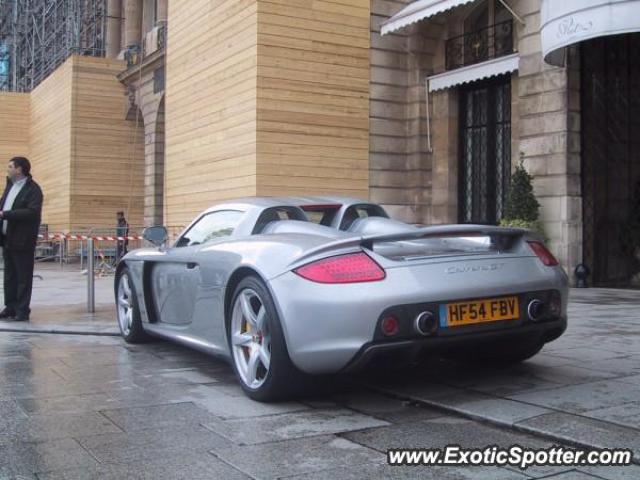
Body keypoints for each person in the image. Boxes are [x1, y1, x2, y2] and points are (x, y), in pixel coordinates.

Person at [0, 157, 44, 322]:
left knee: (23, 276)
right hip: (7, 239)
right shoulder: (10, 186)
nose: (8, 169)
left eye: (10, 166)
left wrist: (5, 214)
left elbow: (32, 212)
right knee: (10, 276)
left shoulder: (33, 190)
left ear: (19, 169)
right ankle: (10, 306)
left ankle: (22, 310)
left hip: (23, 240)